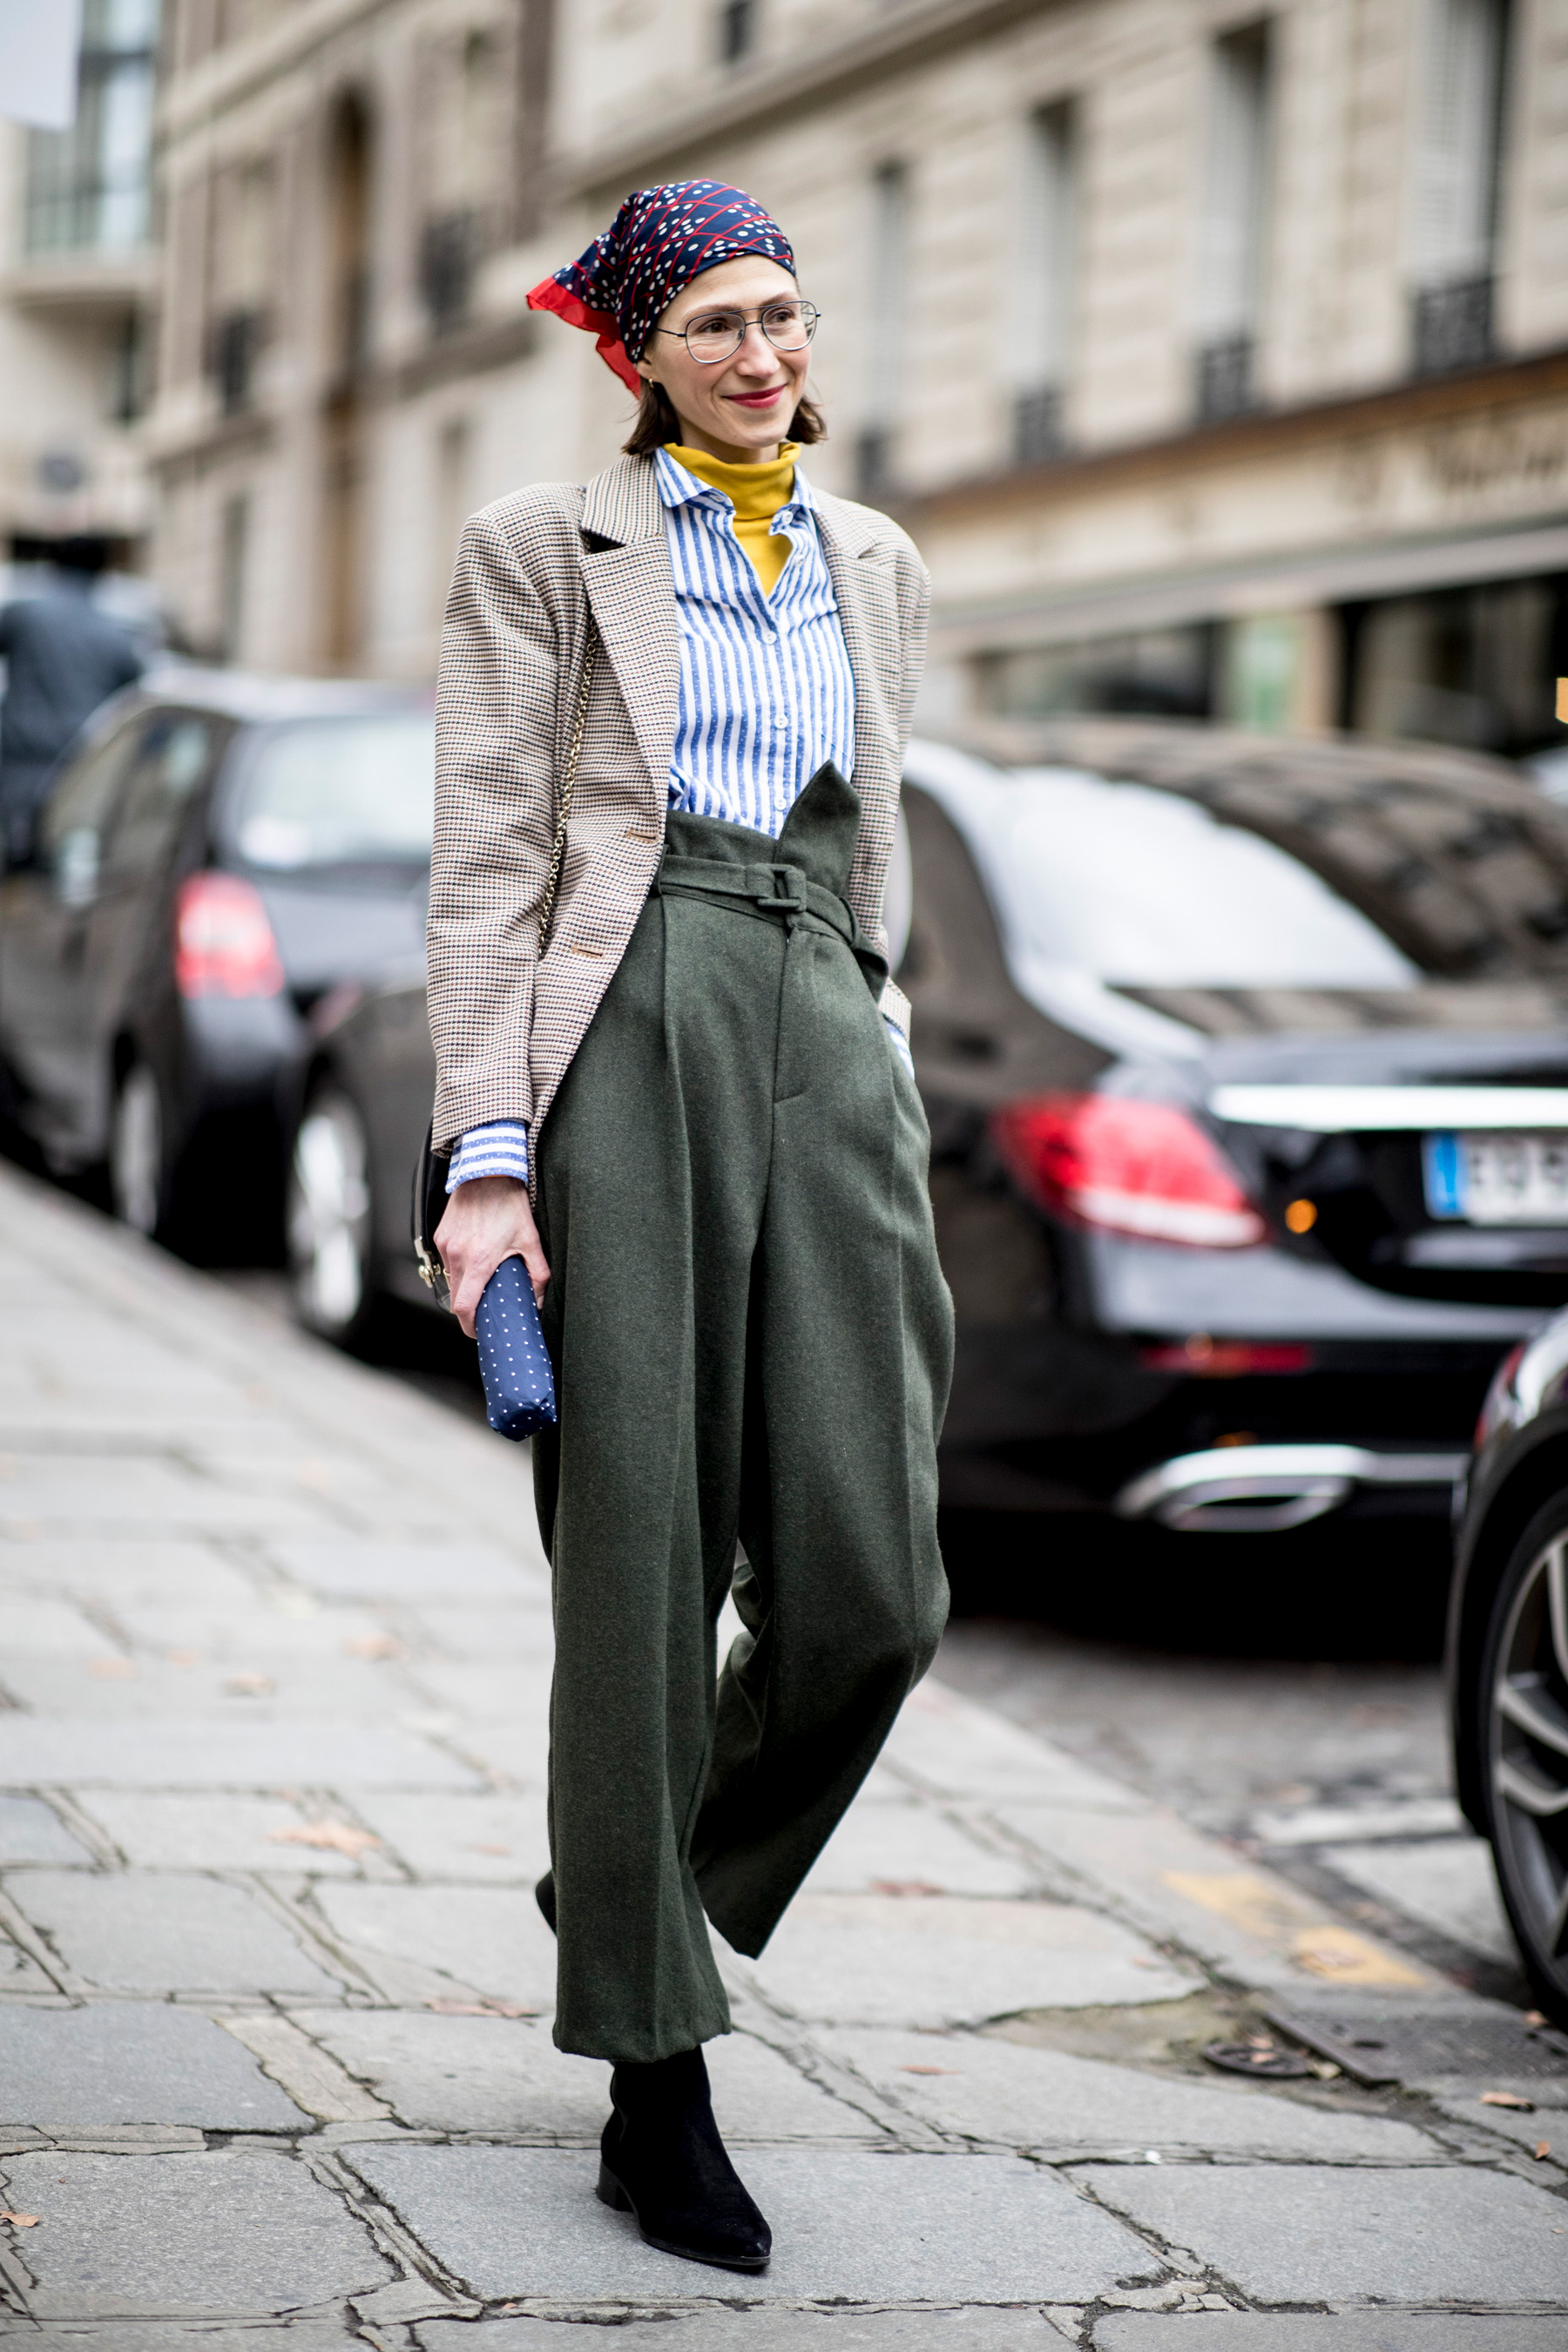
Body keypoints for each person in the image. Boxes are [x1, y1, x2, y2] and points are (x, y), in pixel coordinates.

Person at [429, 179, 952, 2273]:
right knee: (637, 1560)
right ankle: (659, 2072)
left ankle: (632, 1868)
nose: (765, 354)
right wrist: (484, 1161)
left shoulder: (873, 557)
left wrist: (875, 1028)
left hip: (825, 1004)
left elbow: (882, 833)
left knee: (872, 1579)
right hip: (622, 1013)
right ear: (637, 348)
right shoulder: (539, 551)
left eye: (788, 315)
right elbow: (484, 863)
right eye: (722, 321)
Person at [0, 542, 145, 867]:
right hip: (80, 758)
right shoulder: (115, 635)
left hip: (21, 756)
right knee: (62, 853)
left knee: (16, 854)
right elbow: (133, 695)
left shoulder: (26, 615)